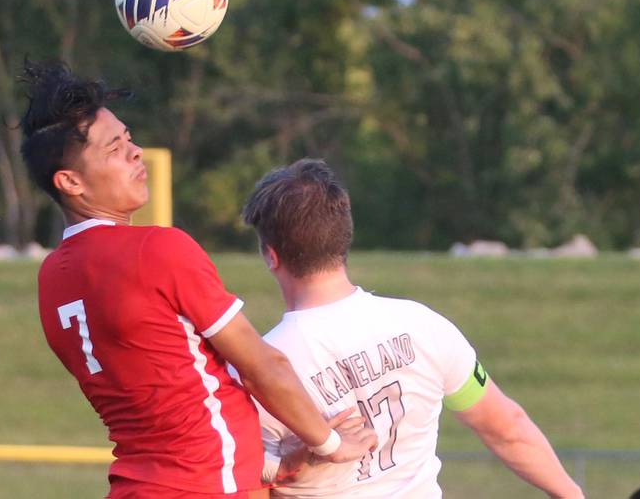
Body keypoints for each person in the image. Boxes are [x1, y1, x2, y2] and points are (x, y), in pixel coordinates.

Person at [18, 61, 375, 499]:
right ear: (69, 181)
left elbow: (161, 404)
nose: (135, 152)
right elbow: (263, 367)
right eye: (113, 148)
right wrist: (331, 444)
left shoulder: (51, 279)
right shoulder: (156, 250)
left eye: (129, 139)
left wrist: (269, 465)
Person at [241, 158, 585, 498]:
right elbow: (507, 428)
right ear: (343, 238)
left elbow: (239, 482)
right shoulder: (423, 325)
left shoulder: (256, 370)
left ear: (271, 255)